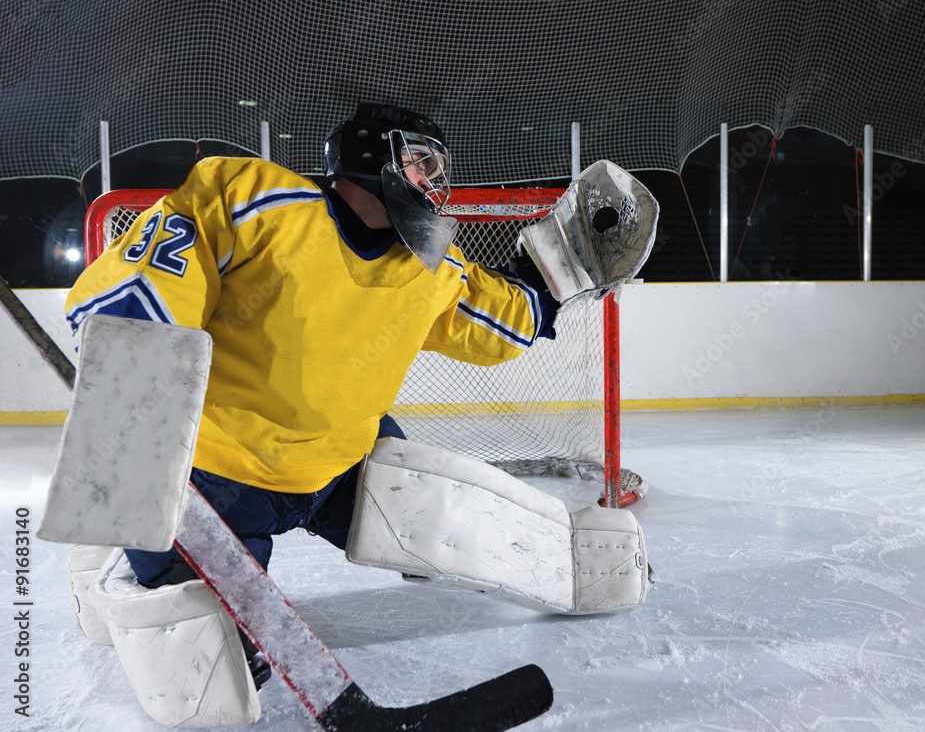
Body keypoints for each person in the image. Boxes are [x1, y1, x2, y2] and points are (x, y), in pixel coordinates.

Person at [64, 102, 558, 689]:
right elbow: (146, 289)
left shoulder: (431, 261)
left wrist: (558, 271)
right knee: (209, 673)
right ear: (372, 157)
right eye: (423, 162)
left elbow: (497, 323)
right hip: (219, 477)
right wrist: (130, 483)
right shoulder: (255, 201)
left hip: (345, 466)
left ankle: (568, 556)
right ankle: (115, 558)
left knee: (454, 521)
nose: (436, 183)